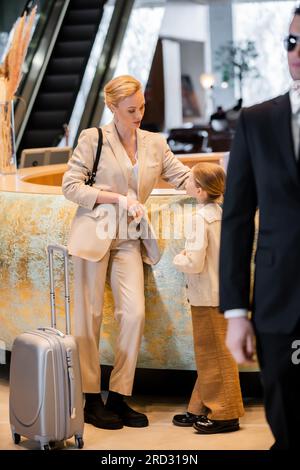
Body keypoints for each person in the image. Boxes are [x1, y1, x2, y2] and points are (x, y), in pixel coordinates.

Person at [62, 75, 190, 430]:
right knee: (87, 319)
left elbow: (181, 177)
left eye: (142, 108)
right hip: (94, 235)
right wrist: (118, 198)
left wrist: (217, 185)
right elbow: (70, 186)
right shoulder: (93, 138)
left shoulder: (153, 143)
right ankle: (89, 399)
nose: (139, 115)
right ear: (113, 107)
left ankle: (119, 395)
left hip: (129, 239)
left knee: (133, 315)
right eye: (131, 110)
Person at [219, 5, 300, 450]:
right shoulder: (257, 121)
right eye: (291, 41)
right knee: (285, 418)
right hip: (278, 302)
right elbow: (235, 220)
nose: (297, 52)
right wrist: (236, 313)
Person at [172, 162, 244, 434]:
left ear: (200, 190)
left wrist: (178, 258)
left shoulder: (199, 219)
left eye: (190, 180)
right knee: (212, 355)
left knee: (214, 356)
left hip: (206, 297)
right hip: (223, 294)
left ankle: (225, 414)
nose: (186, 182)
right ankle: (198, 407)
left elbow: (194, 262)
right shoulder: (222, 215)